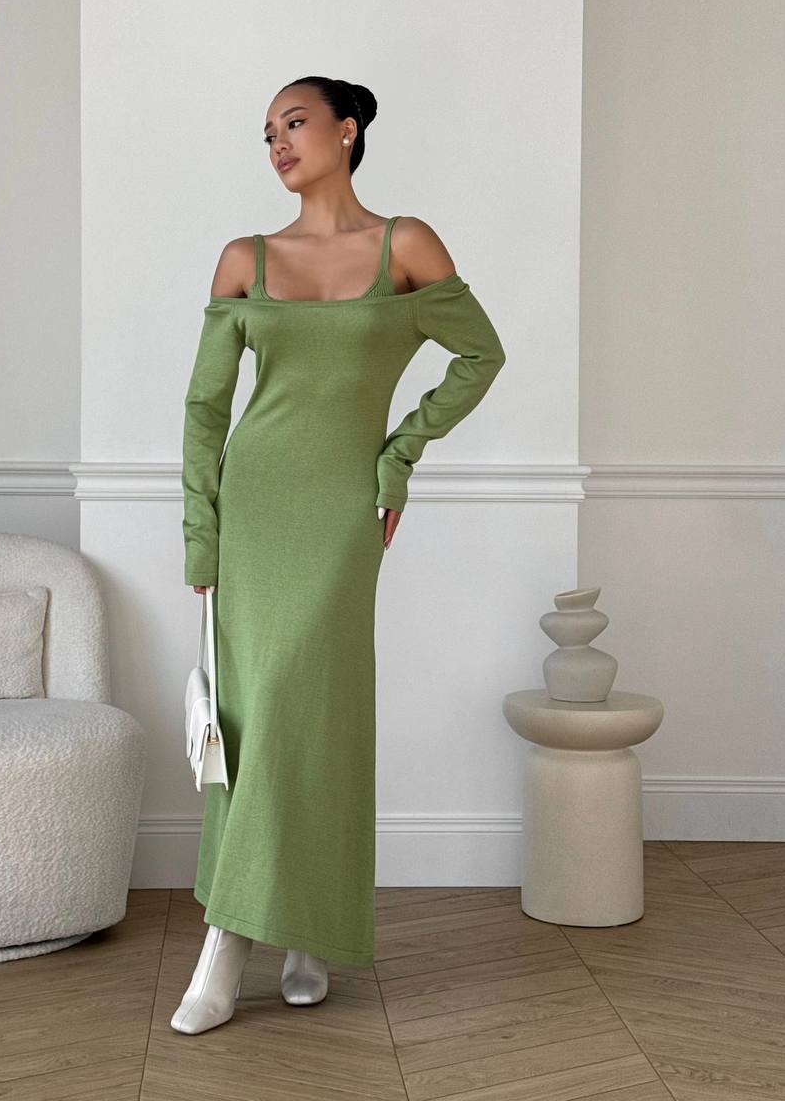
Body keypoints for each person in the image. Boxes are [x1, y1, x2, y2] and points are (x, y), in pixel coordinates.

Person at [173, 76, 507, 1034]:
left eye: (294, 122)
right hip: (255, 508)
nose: (276, 142)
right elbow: (204, 410)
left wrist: (397, 457)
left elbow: (479, 353)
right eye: (265, 133)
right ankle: (279, 934)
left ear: (346, 130)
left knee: (306, 708)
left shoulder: (405, 245)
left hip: (339, 514)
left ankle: (245, 938)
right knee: (262, 713)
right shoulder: (244, 258)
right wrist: (203, 529)